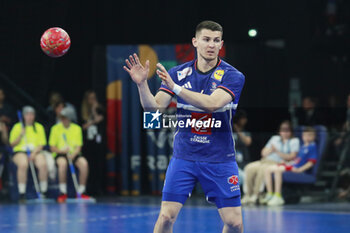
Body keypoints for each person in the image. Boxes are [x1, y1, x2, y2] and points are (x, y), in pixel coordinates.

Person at [124, 20, 245, 233]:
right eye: (206, 39)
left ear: (221, 44)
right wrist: (142, 85)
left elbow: (212, 104)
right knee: (166, 217)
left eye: (216, 41)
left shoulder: (233, 75)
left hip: (219, 158)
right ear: (195, 42)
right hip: (184, 156)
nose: (211, 45)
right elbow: (154, 111)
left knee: (234, 223)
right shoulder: (177, 74)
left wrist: (176, 89)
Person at [241, 120, 300, 205]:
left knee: (263, 170)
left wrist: (277, 151)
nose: (285, 132)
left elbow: (291, 157)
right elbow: (263, 153)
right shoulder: (274, 138)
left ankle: (257, 195)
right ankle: (247, 194)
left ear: (291, 131)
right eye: (283, 129)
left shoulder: (294, 141)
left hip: (276, 163)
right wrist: (271, 150)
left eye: (287, 130)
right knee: (248, 168)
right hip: (264, 160)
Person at [264, 126, 318, 206]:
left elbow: (311, 162)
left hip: (298, 169)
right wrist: (287, 163)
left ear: (314, 137)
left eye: (310, 135)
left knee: (277, 170)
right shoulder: (302, 147)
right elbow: (297, 160)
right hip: (292, 165)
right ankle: (270, 194)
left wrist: (300, 169)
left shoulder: (312, 147)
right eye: (305, 135)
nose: (307, 137)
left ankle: (278, 196)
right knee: (268, 169)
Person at [49, 107, 90, 202]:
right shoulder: (55, 129)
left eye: (65, 118)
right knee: (62, 164)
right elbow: (52, 147)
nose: (63, 120)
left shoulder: (77, 129)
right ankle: (63, 192)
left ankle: (81, 191)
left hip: (73, 154)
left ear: (70, 118)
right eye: (61, 118)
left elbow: (78, 147)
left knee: (84, 164)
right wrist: (62, 151)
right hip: (60, 154)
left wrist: (72, 156)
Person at [9, 106, 48, 202]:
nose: (30, 117)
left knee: (42, 163)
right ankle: (22, 193)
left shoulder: (39, 127)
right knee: (23, 164)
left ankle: (43, 192)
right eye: (27, 114)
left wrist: (33, 154)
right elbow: (11, 144)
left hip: (35, 151)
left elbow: (41, 144)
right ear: (23, 116)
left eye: (32, 114)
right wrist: (20, 135)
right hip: (20, 152)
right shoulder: (17, 127)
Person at [81, 90, 105, 195]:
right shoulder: (83, 112)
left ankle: (98, 188)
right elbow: (83, 127)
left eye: (94, 98)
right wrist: (91, 122)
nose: (93, 100)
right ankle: (88, 188)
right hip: (88, 143)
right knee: (89, 165)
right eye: (90, 98)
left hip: (97, 142)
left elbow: (99, 119)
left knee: (98, 165)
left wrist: (95, 109)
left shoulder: (98, 109)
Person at [232, 110, 252, 185]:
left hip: (244, 161)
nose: (245, 120)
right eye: (243, 118)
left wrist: (238, 131)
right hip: (232, 161)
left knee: (245, 177)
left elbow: (248, 142)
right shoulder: (229, 131)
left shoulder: (245, 132)